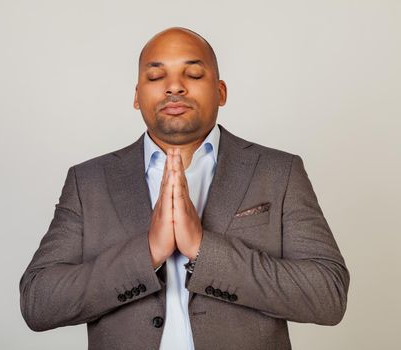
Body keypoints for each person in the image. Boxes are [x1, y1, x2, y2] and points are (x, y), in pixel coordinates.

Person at [19, 27, 349, 349]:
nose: (174, 86)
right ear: (137, 96)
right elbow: (39, 301)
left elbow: (327, 295)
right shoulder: (89, 181)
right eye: (155, 77)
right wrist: (147, 252)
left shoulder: (278, 171)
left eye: (192, 74)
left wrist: (203, 248)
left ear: (221, 91)